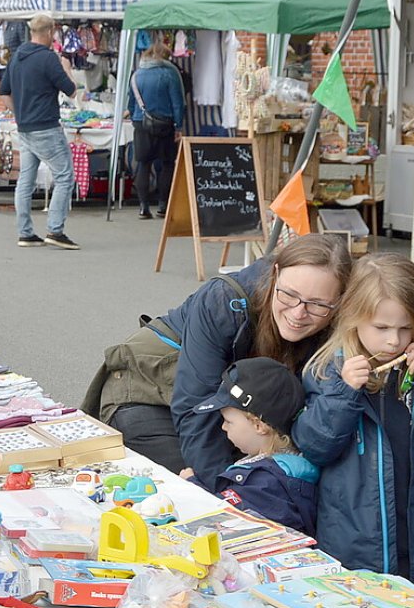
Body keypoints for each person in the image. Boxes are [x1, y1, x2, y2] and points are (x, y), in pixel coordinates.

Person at [83, 233, 351, 480]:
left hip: (229, 407)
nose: (298, 313)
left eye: (317, 304)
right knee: (193, 487)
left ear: (339, 301)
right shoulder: (222, 300)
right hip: (147, 394)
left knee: (265, 483)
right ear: (276, 272)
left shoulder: (344, 321)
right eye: (289, 294)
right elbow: (194, 405)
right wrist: (223, 497)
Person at [293, 253, 414, 581]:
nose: (394, 340)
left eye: (405, 328)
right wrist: (344, 393)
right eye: (382, 327)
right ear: (353, 317)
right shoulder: (329, 370)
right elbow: (315, 445)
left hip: (411, 525)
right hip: (351, 533)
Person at [197, 358, 318, 537]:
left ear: (259, 425)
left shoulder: (267, 482)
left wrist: (192, 485)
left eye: (229, 421)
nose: (223, 427)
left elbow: (224, 519)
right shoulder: (282, 469)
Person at [1, 13, 78, 249]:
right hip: (46, 125)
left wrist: (20, 113)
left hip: (24, 127)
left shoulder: (16, 58)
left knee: (26, 179)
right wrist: (66, 68)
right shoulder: (49, 58)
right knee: (65, 176)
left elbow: (4, 93)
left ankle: (25, 232)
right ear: (50, 32)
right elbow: (71, 91)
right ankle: (55, 229)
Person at [128, 41, 186, 219]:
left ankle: (143, 207)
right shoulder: (170, 73)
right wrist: (178, 125)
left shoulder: (136, 75)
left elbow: (131, 104)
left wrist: (135, 118)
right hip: (165, 125)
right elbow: (177, 103)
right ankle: (163, 205)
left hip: (141, 123)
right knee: (167, 164)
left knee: (143, 164)